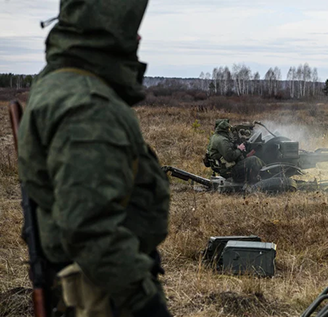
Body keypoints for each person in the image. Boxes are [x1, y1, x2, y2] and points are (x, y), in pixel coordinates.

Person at [17, 1, 172, 316]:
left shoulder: (62, 84)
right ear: (106, 28)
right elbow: (90, 230)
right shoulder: (87, 106)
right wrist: (145, 303)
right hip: (105, 299)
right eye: (129, 27)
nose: (137, 39)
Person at [206, 119, 264, 184]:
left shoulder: (215, 137)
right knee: (253, 159)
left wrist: (236, 147)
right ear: (225, 130)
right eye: (229, 129)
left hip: (221, 168)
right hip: (228, 170)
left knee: (247, 158)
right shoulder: (223, 141)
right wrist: (239, 149)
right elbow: (230, 157)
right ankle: (253, 182)